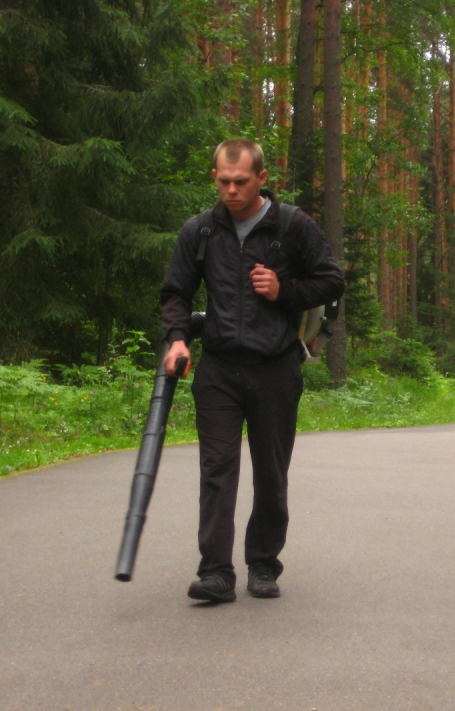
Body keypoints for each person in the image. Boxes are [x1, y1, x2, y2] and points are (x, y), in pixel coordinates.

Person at [161, 138, 345, 603]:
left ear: (262, 179)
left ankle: (263, 563)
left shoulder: (292, 226)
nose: (230, 190)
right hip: (219, 369)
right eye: (222, 180)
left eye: (240, 181)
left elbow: (332, 282)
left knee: (270, 471)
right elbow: (175, 293)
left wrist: (283, 289)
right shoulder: (200, 231)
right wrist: (177, 338)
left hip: (276, 367)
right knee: (217, 469)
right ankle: (217, 572)